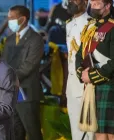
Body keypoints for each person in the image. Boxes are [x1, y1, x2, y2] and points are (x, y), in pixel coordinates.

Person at [1, 5, 44, 140]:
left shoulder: (35, 39)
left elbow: (30, 65)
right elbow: (4, 62)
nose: (9, 21)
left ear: (23, 19)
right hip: (11, 92)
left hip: (27, 92)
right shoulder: (9, 40)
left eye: (12, 18)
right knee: (14, 131)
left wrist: (9, 77)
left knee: (33, 131)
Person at [75, 0, 114, 139]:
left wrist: (92, 76)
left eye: (97, 3)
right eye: (92, 3)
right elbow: (80, 54)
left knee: (110, 132)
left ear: (108, 6)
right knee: (98, 131)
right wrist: (82, 73)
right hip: (93, 86)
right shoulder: (90, 27)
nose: (93, 6)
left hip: (109, 84)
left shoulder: (112, 27)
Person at [65, 0, 94, 140]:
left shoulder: (91, 24)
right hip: (71, 85)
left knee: (90, 130)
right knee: (75, 131)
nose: (71, 2)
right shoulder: (69, 24)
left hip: (86, 83)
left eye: (74, 0)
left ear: (85, 2)